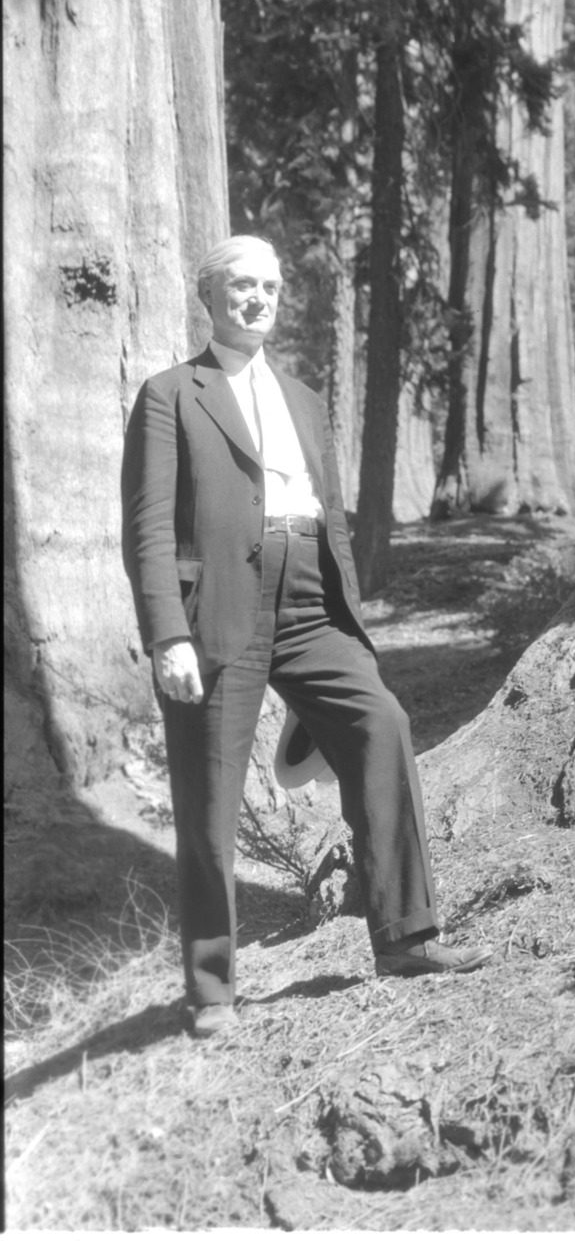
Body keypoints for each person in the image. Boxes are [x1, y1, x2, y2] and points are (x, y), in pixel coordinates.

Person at [121, 234, 488, 1038]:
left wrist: (345, 600)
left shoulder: (305, 399)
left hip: (312, 601)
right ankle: (212, 990)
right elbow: (147, 528)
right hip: (220, 605)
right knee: (210, 795)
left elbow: (332, 514)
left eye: (271, 286)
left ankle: (407, 937)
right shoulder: (171, 394)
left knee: (382, 723)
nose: (258, 298)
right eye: (242, 285)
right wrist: (167, 633)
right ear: (209, 297)